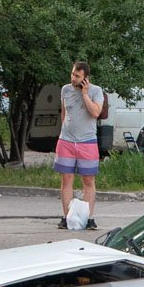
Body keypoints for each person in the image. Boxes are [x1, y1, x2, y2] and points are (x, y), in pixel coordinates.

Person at [54, 61, 105, 230]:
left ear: (85, 78)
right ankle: (66, 216)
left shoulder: (96, 91)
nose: (73, 78)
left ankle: (88, 217)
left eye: (77, 76)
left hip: (87, 141)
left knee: (88, 180)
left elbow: (95, 113)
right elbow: (64, 112)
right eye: (72, 74)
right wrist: (63, 131)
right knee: (66, 178)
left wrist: (85, 94)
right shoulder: (65, 90)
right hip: (67, 140)